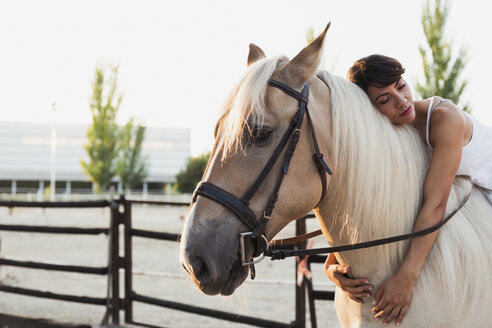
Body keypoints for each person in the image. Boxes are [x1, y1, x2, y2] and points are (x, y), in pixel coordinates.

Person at [325, 54, 492, 326]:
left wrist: (406, 278)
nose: (401, 101)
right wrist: (332, 267)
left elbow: (434, 204)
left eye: (400, 86)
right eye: (384, 99)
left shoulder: (444, 120)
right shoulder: (386, 135)